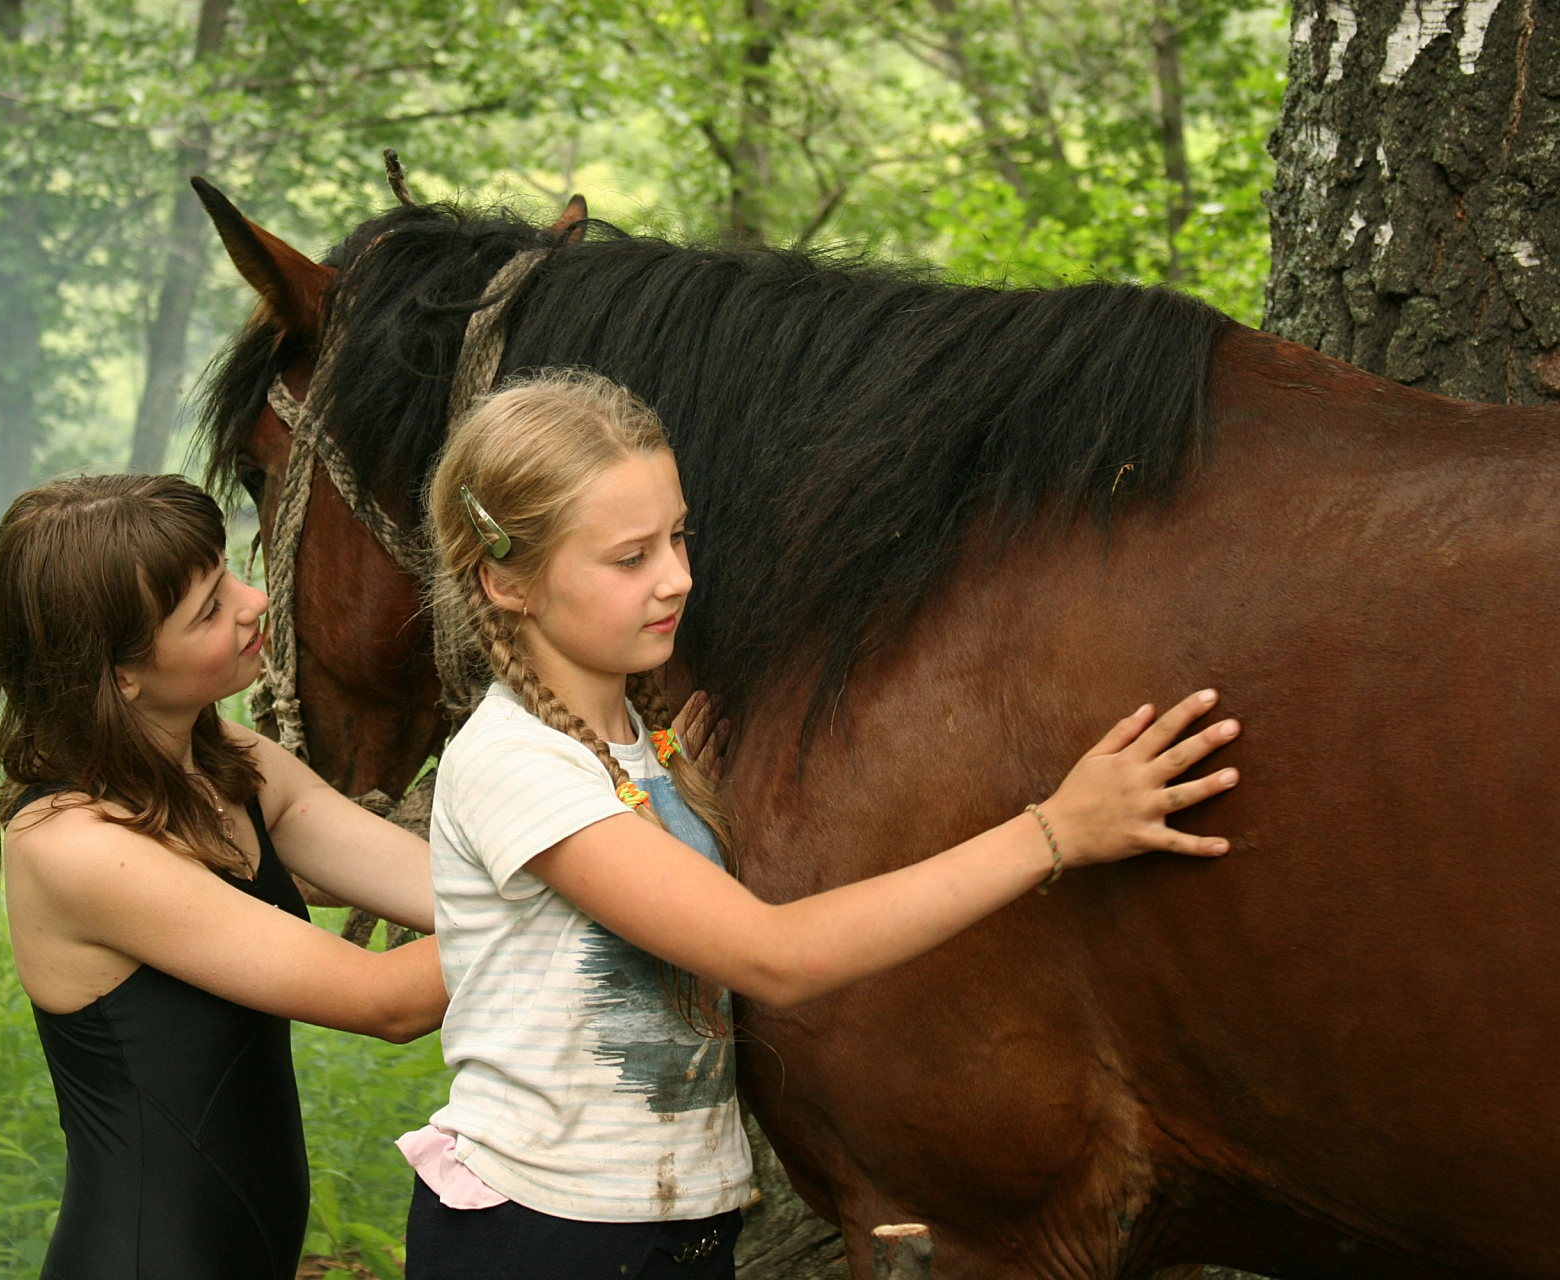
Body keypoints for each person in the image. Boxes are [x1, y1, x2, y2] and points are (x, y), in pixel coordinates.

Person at [399, 371, 1243, 1280]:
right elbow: (775, 956)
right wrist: (1054, 831)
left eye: (679, 537)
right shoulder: (515, 763)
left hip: (665, 1233)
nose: (677, 578)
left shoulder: (640, 749)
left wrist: (681, 786)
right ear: (505, 580)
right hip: (540, 1237)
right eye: (629, 558)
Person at [0, 474, 446, 1280]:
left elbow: (445, 891)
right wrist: (605, 893)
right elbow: (388, 1001)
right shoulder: (76, 845)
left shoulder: (231, 763)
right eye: (208, 609)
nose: (254, 599)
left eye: (228, 574)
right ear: (120, 673)